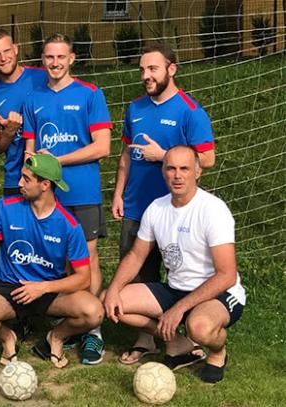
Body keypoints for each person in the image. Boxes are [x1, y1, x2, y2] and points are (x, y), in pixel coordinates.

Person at [111, 42, 215, 365]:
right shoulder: (135, 108)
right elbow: (126, 153)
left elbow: (207, 158)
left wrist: (163, 157)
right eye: (142, 69)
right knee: (136, 275)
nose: (146, 75)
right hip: (136, 207)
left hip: (173, 211)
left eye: (153, 69)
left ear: (172, 69)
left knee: (170, 275)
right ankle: (149, 339)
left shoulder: (190, 111)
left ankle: (185, 333)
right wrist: (118, 192)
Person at [104, 146, 244, 384]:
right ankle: (177, 344)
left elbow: (227, 275)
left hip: (218, 293)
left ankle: (218, 353)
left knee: (199, 327)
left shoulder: (213, 210)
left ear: (197, 172)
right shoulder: (157, 208)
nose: (177, 175)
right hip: (176, 288)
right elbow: (136, 256)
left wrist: (179, 309)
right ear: (163, 171)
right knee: (113, 302)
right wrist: (114, 290)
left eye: (184, 169)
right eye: (171, 168)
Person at [0, 154, 103, 368]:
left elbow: (84, 279)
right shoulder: (5, 207)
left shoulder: (69, 225)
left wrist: (42, 288)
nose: (19, 183)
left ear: (45, 185)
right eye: (21, 177)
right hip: (8, 287)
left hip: (47, 290)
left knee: (94, 312)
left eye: (27, 179)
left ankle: (55, 337)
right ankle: (8, 337)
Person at [23, 33, 111, 364]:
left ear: (72, 58)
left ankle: (93, 331)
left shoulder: (90, 94)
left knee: (87, 259)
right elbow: (29, 153)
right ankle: (72, 321)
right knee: (56, 258)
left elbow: (102, 147)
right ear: (42, 60)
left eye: (61, 57)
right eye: (49, 57)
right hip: (47, 195)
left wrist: (58, 160)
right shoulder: (34, 99)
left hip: (82, 190)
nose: (55, 63)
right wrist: (32, 174)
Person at [0, 29, 47, 197]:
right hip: (16, 180)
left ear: (16, 49)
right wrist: (9, 131)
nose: (3, 58)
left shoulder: (43, 77)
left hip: (51, 174)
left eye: (7, 51)